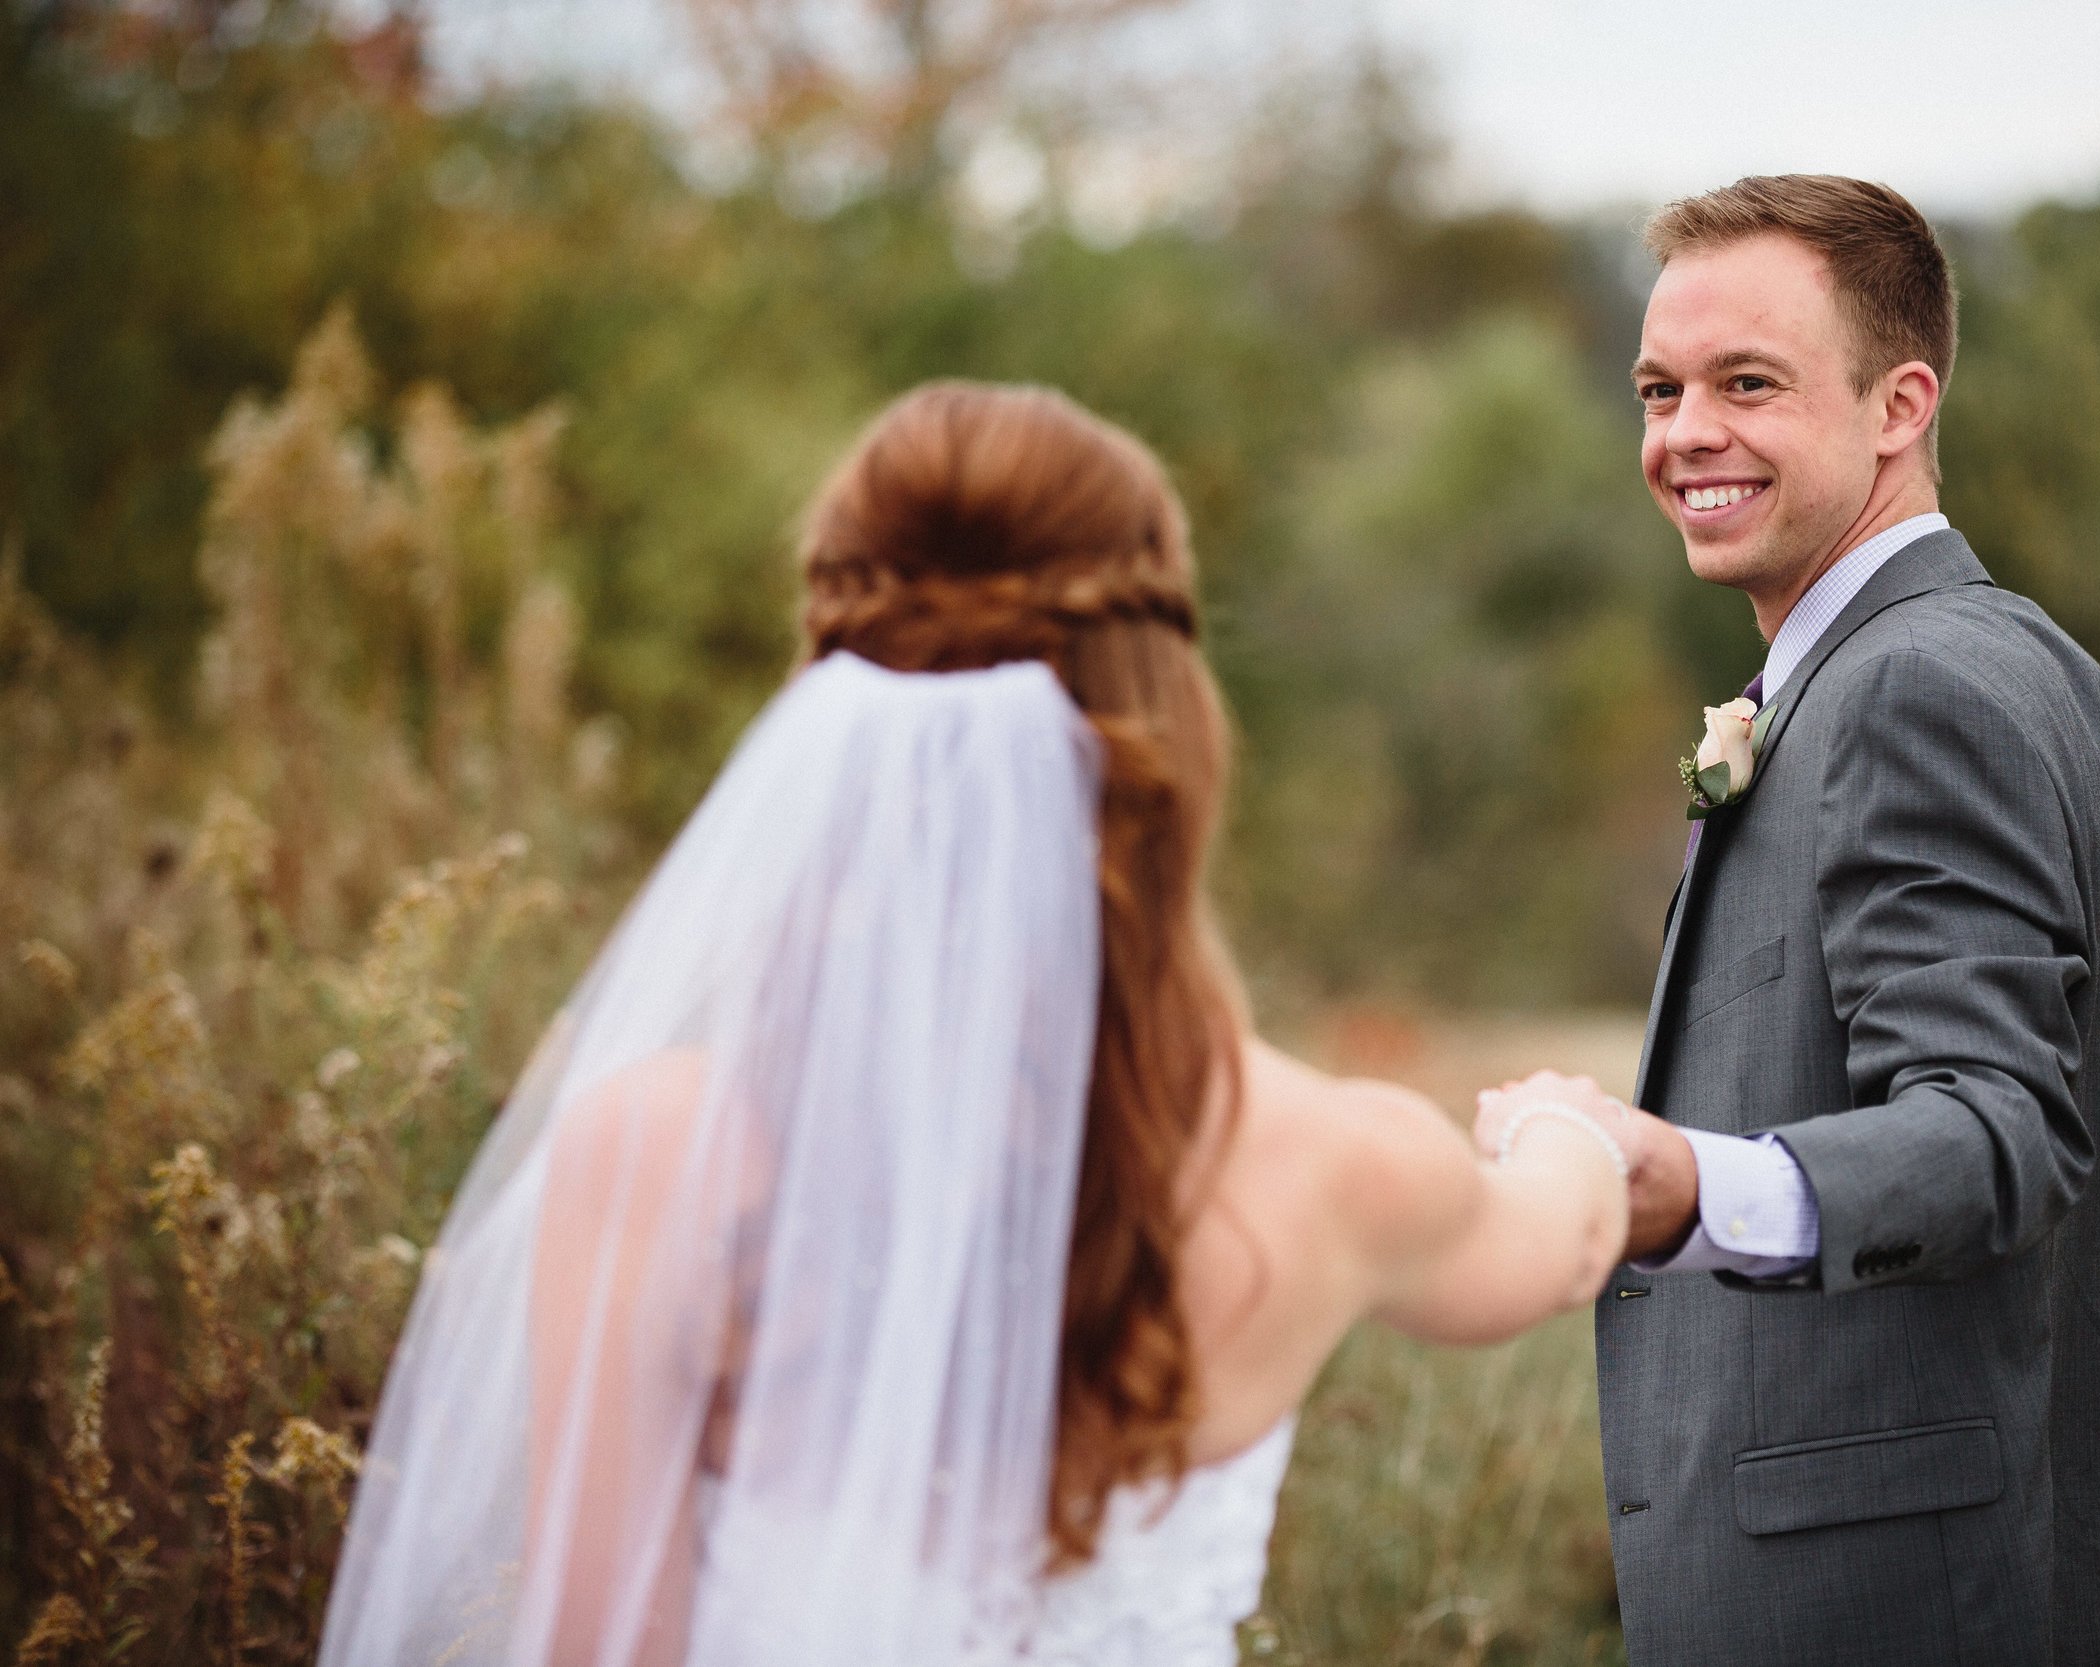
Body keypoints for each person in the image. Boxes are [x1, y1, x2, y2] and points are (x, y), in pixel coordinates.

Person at [314, 381, 1632, 1666]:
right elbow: (1559, 1246)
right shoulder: (1340, 1163)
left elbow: (601, 1646)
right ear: (1167, 720)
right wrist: (1563, 1128)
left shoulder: (659, 1152)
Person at [1520, 175, 2100, 1663]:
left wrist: (1687, 1183)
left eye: (1749, 384)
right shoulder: (2013, 666)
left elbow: (2000, 1130)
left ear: (1900, 403)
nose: (1683, 434)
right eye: (1660, 388)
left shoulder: (1918, 693)